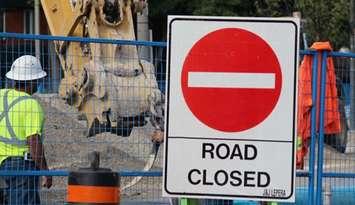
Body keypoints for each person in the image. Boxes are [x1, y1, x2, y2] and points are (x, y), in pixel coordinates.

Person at [0, 55, 52, 204]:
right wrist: (45, 171)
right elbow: (34, 142)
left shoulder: (1, 95)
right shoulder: (31, 105)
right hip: (21, 167)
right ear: (33, 81)